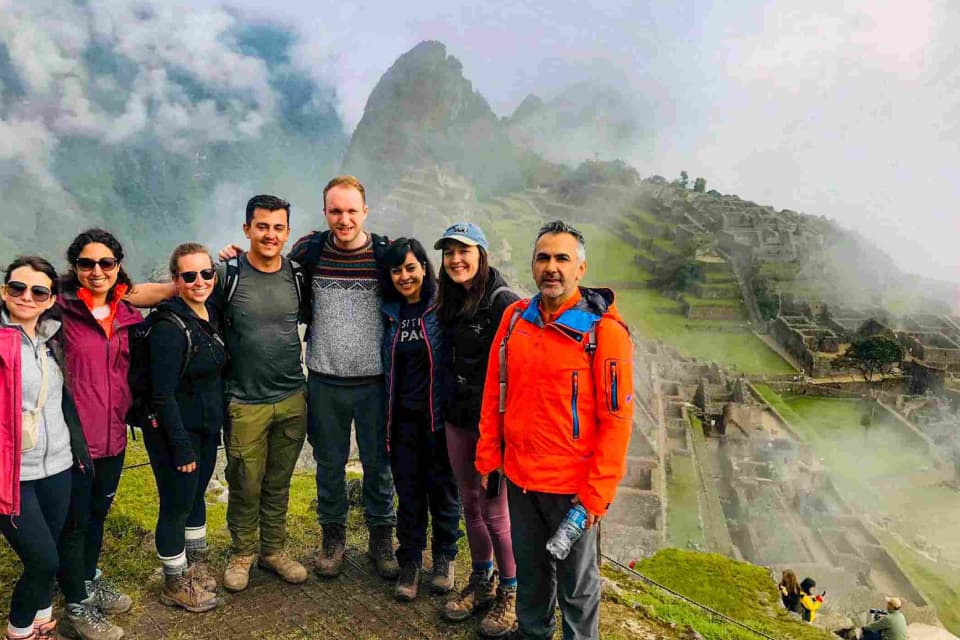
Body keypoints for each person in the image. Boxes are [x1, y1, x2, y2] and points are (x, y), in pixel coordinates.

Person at [476, 220, 635, 640]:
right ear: (532, 265)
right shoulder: (514, 320)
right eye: (543, 258)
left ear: (580, 269)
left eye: (562, 258)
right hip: (520, 477)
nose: (552, 267)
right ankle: (532, 632)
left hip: (573, 488)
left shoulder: (605, 334)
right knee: (530, 573)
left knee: (578, 588)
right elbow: (494, 391)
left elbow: (617, 422)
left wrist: (596, 496)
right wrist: (489, 457)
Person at [286, 176, 398, 579]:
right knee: (328, 463)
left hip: (374, 382)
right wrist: (232, 255)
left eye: (352, 210)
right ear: (325, 212)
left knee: (378, 464)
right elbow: (270, 267)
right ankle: (332, 538)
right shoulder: (309, 251)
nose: (344, 219)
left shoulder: (386, 256)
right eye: (336, 210)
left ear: (365, 211)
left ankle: (382, 539)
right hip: (325, 378)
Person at [217, 195, 309, 593]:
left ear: (287, 232)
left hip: (291, 394)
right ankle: (242, 552)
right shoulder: (227, 274)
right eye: (262, 226)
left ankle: (273, 549)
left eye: (277, 227)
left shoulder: (297, 276)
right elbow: (181, 292)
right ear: (246, 229)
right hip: (244, 399)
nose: (270, 234)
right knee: (245, 480)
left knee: (278, 479)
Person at [0, 257, 94, 640]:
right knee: (42, 561)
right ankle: (19, 632)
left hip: (57, 467)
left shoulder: (53, 339)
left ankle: (41, 621)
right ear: (4, 290)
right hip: (11, 474)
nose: (26, 296)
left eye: (37, 291)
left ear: (49, 298)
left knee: (50, 549)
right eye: (17, 287)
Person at [434, 222, 520, 637]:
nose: (456, 259)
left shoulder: (504, 303)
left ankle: (511, 591)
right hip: (457, 417)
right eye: (449, 252)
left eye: (464, 251)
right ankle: (482, 579)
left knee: (495, 512)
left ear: (482, 255)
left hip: (492, 427)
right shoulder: (450, 300)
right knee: (469, 502)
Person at [56, 229, 141, 640]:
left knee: (97, 515)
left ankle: (88, 578)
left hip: (113, 438)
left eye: (105, 263)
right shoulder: (57, 312)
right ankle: (76, 606)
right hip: (73, 440)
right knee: (74, 522)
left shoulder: (127, 314)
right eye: (87, 264)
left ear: (118, 266)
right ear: (74, 268)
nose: (96, 271)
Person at [142, 244, 227, 612]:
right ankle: (174, 582)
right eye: (188, 276)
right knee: (176, 505)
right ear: (175, 280)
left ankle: (195, 566)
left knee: (195, 498)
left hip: (205, 428)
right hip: (177, 434)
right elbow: (161, 395)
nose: (199, 282)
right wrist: (180, 446)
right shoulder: (168, 328)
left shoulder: (210, 313)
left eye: (206, 274)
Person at [379, 238, 461, 602]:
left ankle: (444, 558)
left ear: (425, 269)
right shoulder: (390, 312)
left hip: (439, 419)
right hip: (402, 422)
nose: (404, 276)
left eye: (411, 268)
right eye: (396, 270)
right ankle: (410, 560)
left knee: (443, 491)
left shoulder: (442, 307)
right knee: (409, 494)